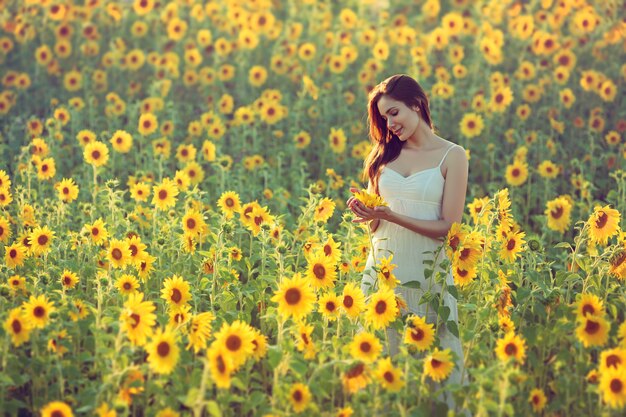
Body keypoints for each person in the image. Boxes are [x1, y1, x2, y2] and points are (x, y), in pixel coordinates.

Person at [347, 74, 469, 411]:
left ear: (417, 104)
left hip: (428, 275)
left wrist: (391, 215)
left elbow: (449, 227)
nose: (390, 123)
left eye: (394, 113)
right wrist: (367, 211)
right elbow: (377, 225)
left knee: (433, 366)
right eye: (384, 117)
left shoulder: (452, 156)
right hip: (384, 274)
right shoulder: (382, 157)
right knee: (383, 368)